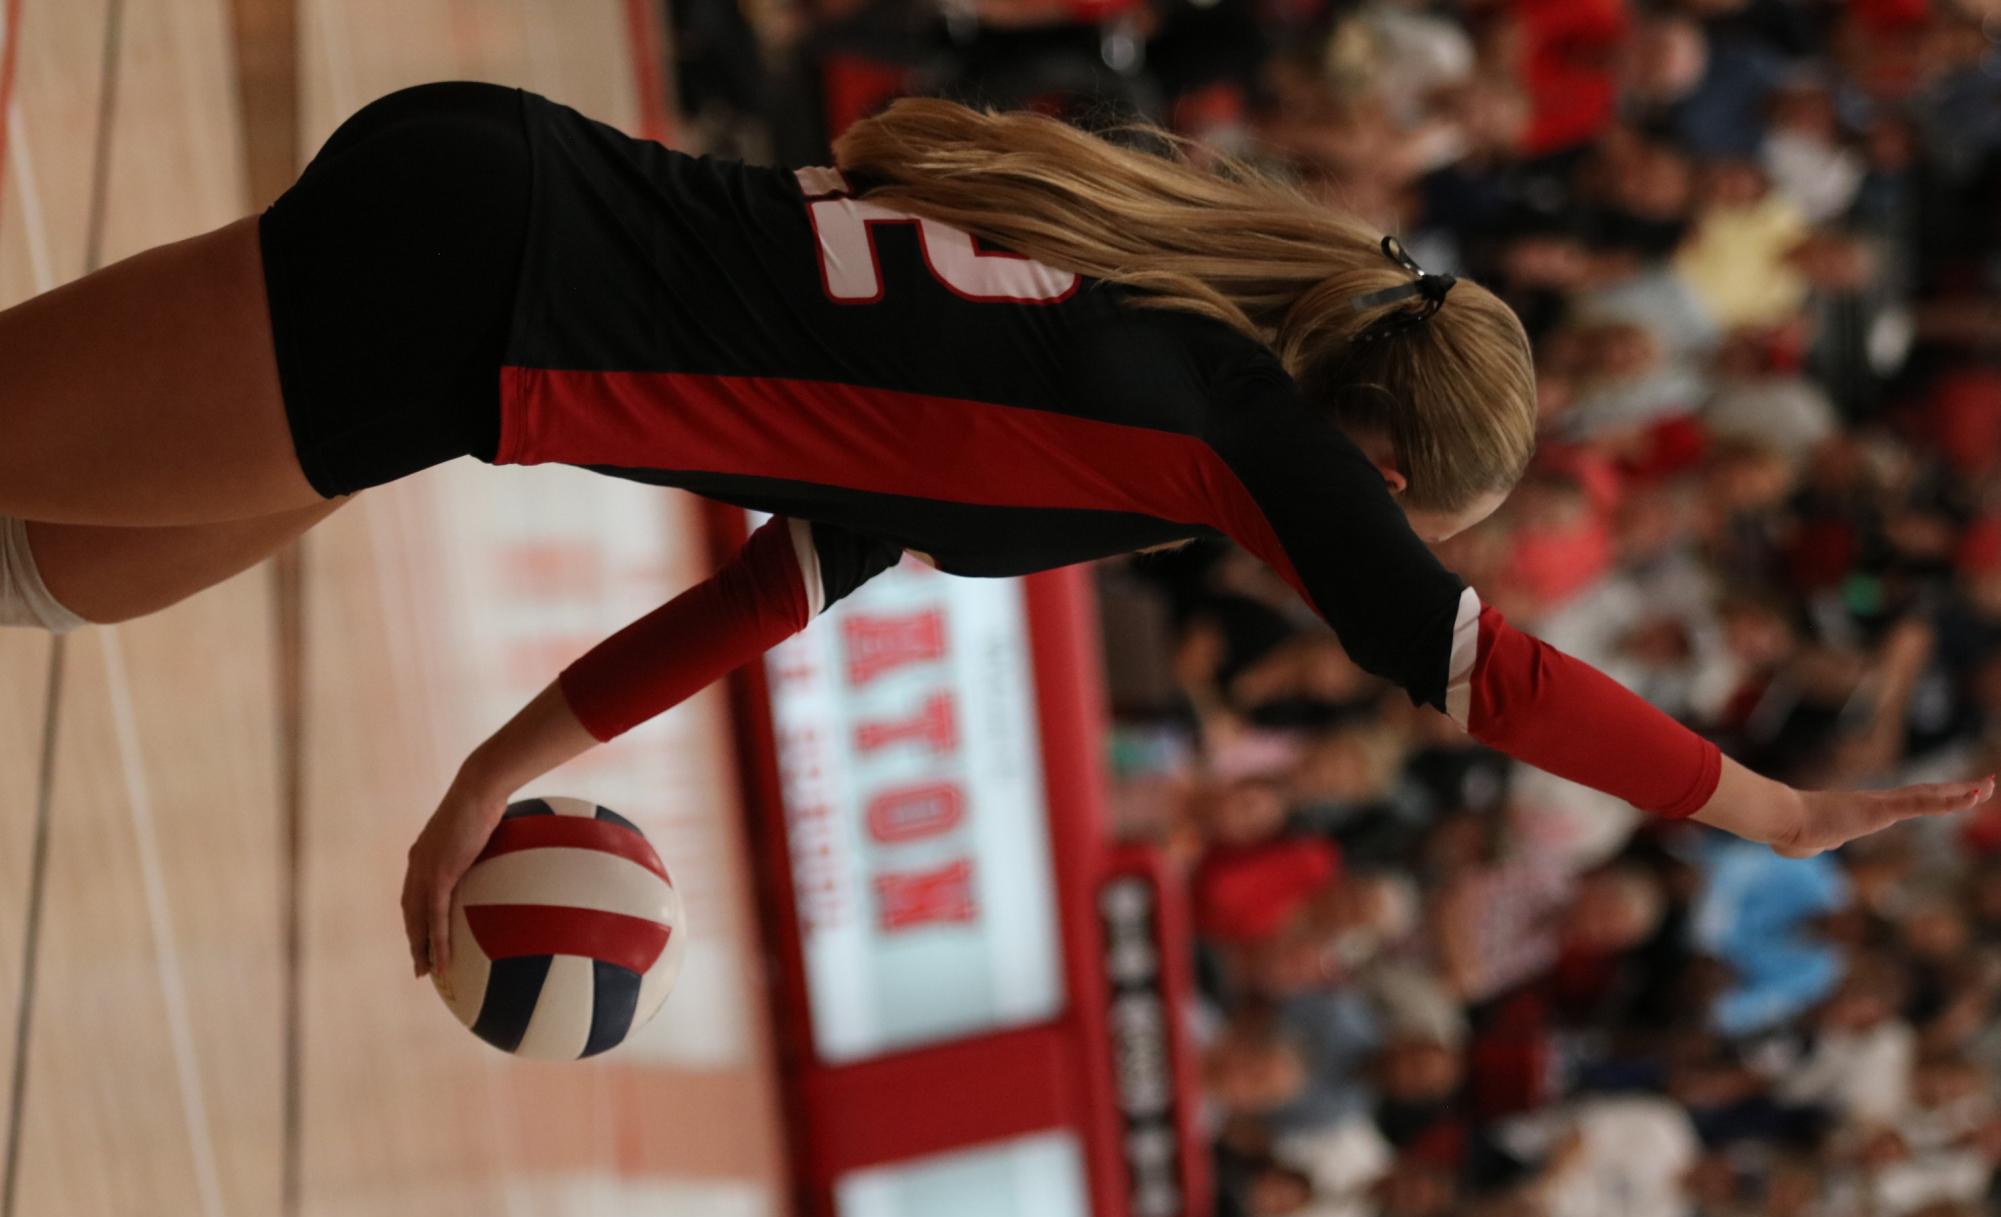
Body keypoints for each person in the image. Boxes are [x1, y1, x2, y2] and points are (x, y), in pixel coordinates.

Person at [0, 82, 1986, 982]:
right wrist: (1774, 809)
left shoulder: (1141, 336)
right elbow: (1487, 671)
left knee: (51, 575)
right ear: (1365, 453)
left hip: (481, 255)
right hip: (480, 302)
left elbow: (793, 566)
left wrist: (490, 774)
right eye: (1397, 510)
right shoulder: (1242, 431)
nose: (1364, 542)